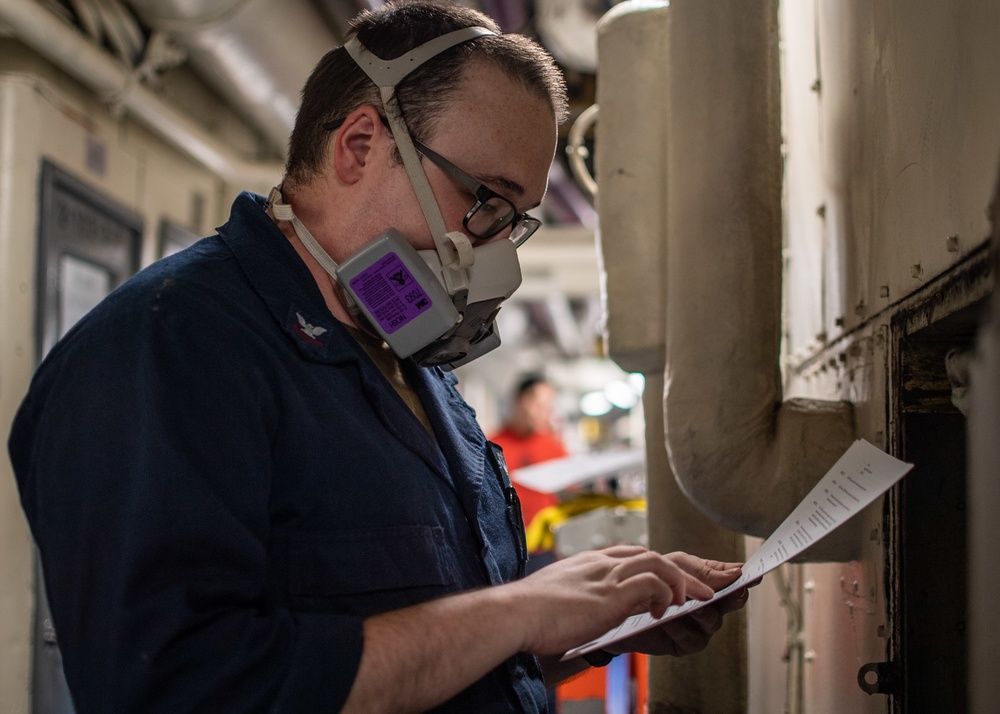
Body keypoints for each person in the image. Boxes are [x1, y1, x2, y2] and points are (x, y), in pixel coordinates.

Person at [8, 2, 751, 712]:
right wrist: (521, 610)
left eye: (512, 223)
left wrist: (592, 613)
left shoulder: (410, 363)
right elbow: (182, 689)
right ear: (361, 145)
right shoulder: (168, 346)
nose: (494, 252)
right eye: (485, 201)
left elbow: (434, 631)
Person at [489, 374, 568, 530]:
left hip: (546, 538)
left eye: (548, 408)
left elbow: (569, 490)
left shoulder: (553, 446)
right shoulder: (492, 446)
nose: (543, 414)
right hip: (508, 537)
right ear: (518, 401)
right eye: (538, 406)